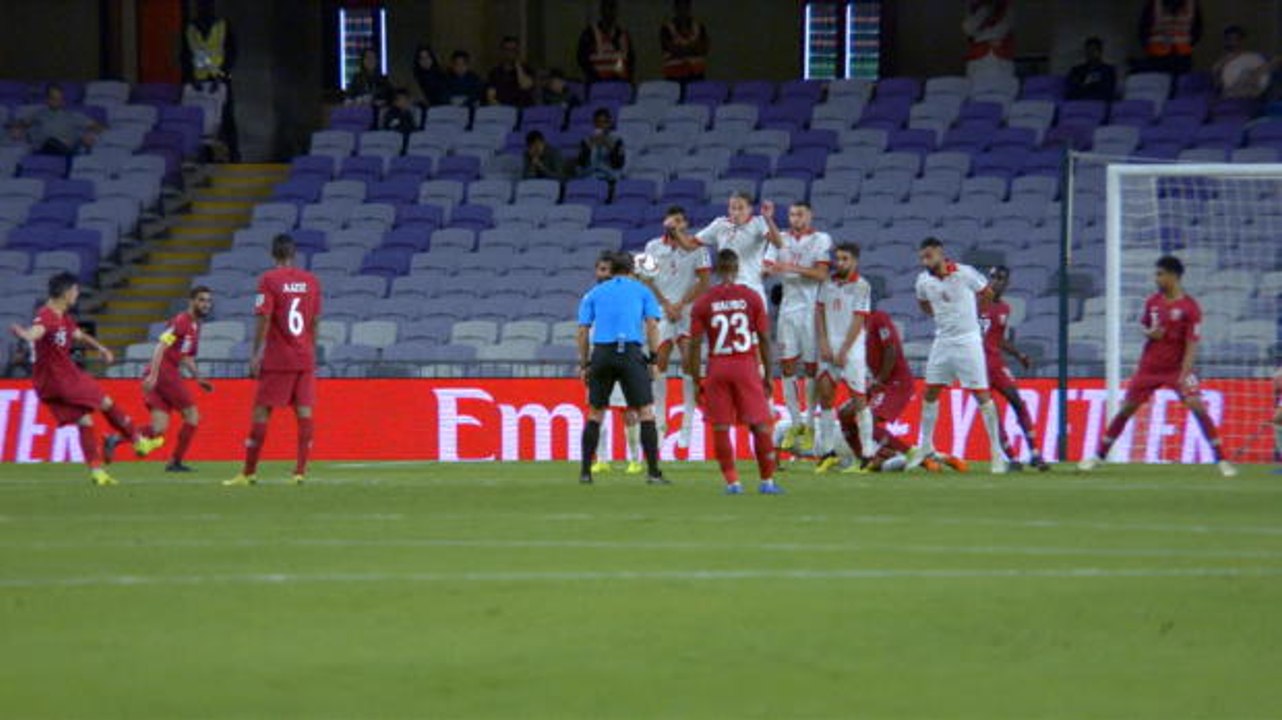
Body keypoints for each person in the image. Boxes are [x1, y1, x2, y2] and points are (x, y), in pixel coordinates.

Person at [1079, 256, 1236, 477]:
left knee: (1197, 407)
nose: (1157, 278)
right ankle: (1098, 455)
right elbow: (1145, 327)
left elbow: (1192, 343)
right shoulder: (1153, 302)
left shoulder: (1190, 308)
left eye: (1160, 274)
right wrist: (1150, 333)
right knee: (1127, 409)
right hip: (1149, 367)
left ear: (1173, 276)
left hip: (1177, 369)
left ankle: (1222, 460)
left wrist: (1185, 372)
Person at [8, 273, 163, 486]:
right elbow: (37, 331)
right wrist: (25, 335)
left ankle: (97, 472)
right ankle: (138, 441)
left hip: (47, 385)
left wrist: (100, 348)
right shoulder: (47, 316)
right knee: (106, 401)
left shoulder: (63, 317)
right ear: (66, 293)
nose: (77, 294)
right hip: (62, 378)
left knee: (85, 421)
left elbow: (79, 335)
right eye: (75, 290)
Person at [225, 235, 322, 486]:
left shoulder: (268, 280)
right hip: (305, 356)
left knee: (261, 411)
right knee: (304, 411)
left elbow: (264, 317)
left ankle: (249, 472)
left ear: (273, 255)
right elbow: (314, 321)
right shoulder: (311, 281)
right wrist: (311, 350)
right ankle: (300, 472)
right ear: (294, 254)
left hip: (279, 357)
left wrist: (256, 352)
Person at [910, 238, 1008, 475]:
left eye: (929, 256)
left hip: (968, 340)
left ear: (941, 254)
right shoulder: (924, 281)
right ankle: (925, 447)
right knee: (930, 392)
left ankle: (996, 453)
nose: (926, 261)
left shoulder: (965, 273)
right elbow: (923, 304)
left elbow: (987, 293)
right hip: (942, 340)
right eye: (923, 257)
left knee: (981, 395)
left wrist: (973, 315)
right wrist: (940, 314)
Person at [687, 249, 780, 495]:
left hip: (717, 367)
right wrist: (768, 374)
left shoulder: (703, 302)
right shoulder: (751, 297)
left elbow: (694, 345)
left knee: (720, 427)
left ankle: (732, 483)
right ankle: (767, 482)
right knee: (760, 425)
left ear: (717, 270)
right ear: (737, 269)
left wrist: (696, 379)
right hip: (745, 365)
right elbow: (763, 338)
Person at [576, 251, 667, 486]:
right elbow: (652, 325)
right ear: (631, 271)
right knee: (646, 411)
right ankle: (653, 472)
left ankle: (586, 472)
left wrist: (585, 363)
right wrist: (654, 358)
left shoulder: (594, 293)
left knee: (595, 413)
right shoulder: (642, 291)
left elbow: (583, 330)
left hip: (602, 353)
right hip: (630, 351)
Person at [642, 206, 712, 449]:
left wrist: (681, 304)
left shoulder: (697, 248)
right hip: (662, 310)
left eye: (681, 220)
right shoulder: (652, 246)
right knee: (658, 363)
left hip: (688, 310)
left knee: (688, 364)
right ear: (665, 221)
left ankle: (687, 427)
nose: (676, 223)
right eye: (672, 219)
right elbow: (646, 279)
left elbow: (704, 282)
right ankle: (660, 424)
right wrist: (665, 304)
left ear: (685, 224)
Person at [764, 202, 831, 454]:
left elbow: (822, 274)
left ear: (809, 216)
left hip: (811, 309)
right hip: (788, 311)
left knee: (812, 367)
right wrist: (764, 270)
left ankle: (811, 423)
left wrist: (789, 268)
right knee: (788, 365)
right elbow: (768, 266)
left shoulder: (820, 239)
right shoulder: (779, 239)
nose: (796, 218)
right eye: (792, 214)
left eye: (800, 214)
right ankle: (795, 422)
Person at [812, 243, 876, 473]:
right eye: (837, 258)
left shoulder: (861, 286)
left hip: (853, 348)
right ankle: (828, 452)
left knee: (859, 399)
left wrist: (844, 350)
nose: (839, 263)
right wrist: (823, 343)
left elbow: (859, 319)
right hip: (829, 346)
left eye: (845, 259)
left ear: (854, 261)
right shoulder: (827, 283)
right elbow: (819, 312)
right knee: (826, 395)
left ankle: (868, 454)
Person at [137, 286, 215, 473]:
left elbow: (186, 357)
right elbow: (161, 346)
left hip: (165, 372)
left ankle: (117, 438)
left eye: (208, 301)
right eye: (201, 300)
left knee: (159, 428)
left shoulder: (195, 326)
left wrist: (198, 378)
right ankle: (175, 462)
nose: (206, 304)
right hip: (164, 372)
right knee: (192, 416)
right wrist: (154, 375)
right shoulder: (182, 321)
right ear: (191, 301)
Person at [981, 266, 1050, 472]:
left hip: (996, 364)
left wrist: (1018, 354)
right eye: (993, 278)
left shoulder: (1004, 309)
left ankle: (1035, 454)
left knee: (1018, 403)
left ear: (1007, 283)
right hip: (976, 368)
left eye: (1000, 279)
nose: (996, 282)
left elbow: (998, 339)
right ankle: (1012, 457)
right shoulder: (974, 303)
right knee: (992, 413)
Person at [587, 251, 644, 475]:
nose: (602, 274)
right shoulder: (592, 296)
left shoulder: (626, 296)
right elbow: (585, 329)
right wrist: (585, 361)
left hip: (623, 357)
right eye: (599, 269)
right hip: (599, 358)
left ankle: (634, 459)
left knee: (629, 411)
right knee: (597, 410)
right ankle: (601, 459)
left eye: (606, 270)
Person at [677, 192, 783, 308]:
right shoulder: (720, 224)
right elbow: (690, 245)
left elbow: (778, 243)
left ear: (750, 209)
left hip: (752, 288)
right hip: (726, 290)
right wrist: (674, 231)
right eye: (733, 208)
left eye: (741, 208)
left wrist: (768, 219)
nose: (736, 213)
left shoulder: (759, 223)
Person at [181, 0, 239, 161]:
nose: (204, 9)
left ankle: (233, 156)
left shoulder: (223, 26)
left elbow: (231, 52)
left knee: (226, 120)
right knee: (200, 123)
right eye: (201, 6)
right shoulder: (190, 28)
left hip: (219, 80)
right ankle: (203, 157)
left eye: (206, 6)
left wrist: (222, 75)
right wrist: (190, 78)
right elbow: (185, 55)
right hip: (197, 82)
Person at [9, 84, 102, 156]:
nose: (58, 102)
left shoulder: (72, 116)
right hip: (42, 151)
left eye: (60, 99)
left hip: (65, 151)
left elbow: (98, 127)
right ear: (47, 100)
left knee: (55, 142)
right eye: (54, 99)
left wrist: (90, 133)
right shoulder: (39, 113)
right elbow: (21, 124)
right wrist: (16, 129)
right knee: (48, 142)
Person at [577, 0, 635, 84]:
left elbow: (630, 63)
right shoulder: (590, 34)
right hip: (598, 85)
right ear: (602, 10)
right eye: (608, 8)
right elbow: (583, 60)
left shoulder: (623, 35)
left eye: (613, 8)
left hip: (620, 85)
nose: (611, 12)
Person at [1138, 0, 1202, 75]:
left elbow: (1197, 28)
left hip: (1182, 57)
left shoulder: (1191, 4)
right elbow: (1143, 29)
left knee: (1181, 83)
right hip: (1158, 56)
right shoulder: (1153, 4)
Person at [962, 0, 1015, 83]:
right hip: (977, 57)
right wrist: (985, 10)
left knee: (1000, 86)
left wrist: (980, 37)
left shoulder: (1006, 6)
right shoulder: (972, 8)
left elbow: (1002, 30)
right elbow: (968, 29)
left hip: (999, 56)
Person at [1212, 25, 1270, 100]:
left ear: (1242, 41)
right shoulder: (1220, 63)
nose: (1233, 42)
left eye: (1236, 39)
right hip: (1231, 95)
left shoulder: (1254, 58)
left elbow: (1261, 81)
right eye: (1229, 39)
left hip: (1251, 95)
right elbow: (1218, 85)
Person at [660, 0, 710, 84]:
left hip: (697, 74)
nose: (683, 11)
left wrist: (681, 48)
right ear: (675, 9)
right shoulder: (666, 29)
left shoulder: (699, 27)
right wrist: (693, 48)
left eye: (685, 8)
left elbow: (703, 49)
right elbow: (672, 49)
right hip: (674, 75)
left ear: (689, 8)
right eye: (680, 8)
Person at [576, 107, 625, 183]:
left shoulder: (617, 140)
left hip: (609, 174)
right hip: (591, 174)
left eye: (604, 122)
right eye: (598, 122)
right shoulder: (586, 141)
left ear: (609, 123)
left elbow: (618, 164)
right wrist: (588, 148)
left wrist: (608, 145)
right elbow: (581, 163)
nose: (601, 125)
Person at [487, 36, 537, 107]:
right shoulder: (495, 72)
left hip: (523, 109)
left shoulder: (527, 69)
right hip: (503, 111)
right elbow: (491, 96)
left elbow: (525, 85)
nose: (510, 53)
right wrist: (501, 110)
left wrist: (518, 66)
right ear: (502, 51)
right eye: (507, 49)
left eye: (513, 50)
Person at [1066, 37, 1118, 102]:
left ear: (1100, 52)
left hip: (1099, 104)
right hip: (1079, 104)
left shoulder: (1108, 70)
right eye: (1088, 50)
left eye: (1093, 50)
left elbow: (1107, 91)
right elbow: (1071, 92)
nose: (1090, 53)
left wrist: (1087, 85)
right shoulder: (1076, 70)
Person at [346, 48, 393, 114]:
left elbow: (392, 97)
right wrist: (361, 100)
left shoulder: (383, 79)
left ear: (377, 61)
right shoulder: (357, 79)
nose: (370, 61)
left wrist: (382, 102)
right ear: (363, 61)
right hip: (361, 113)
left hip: (380, 113)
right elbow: (349, 98)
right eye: (368, 58)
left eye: (373, 58)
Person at [382, 89, 418, 153]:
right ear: (396, 102)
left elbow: (413, 128)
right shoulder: (391, 113)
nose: (407, 102)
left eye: (407, 100)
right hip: (393, 141)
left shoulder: (408, 113)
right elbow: (391, 127)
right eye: (404, 100)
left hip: (407, 141)